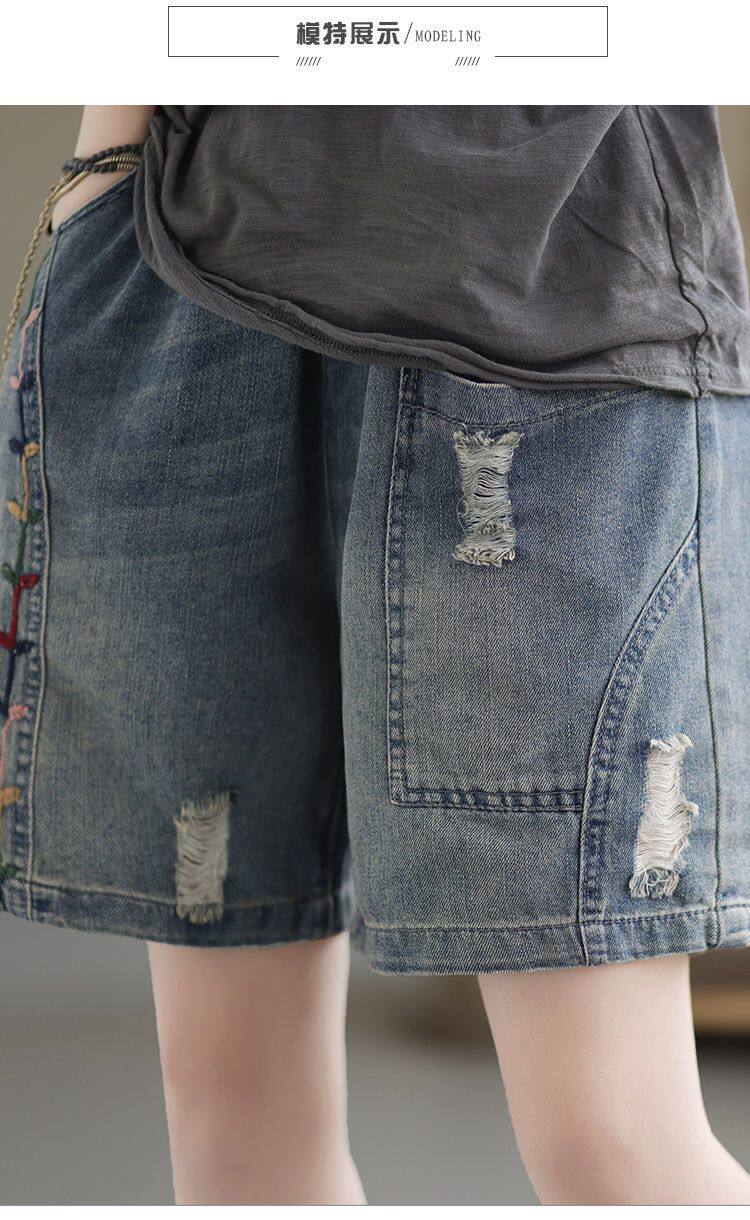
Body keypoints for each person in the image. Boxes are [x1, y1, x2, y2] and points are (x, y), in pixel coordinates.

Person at [2, 104, 750, 1205]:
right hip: (191, 260)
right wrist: (103, 165)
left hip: (553, 279)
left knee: (613, 1141)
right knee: (233, 1122)